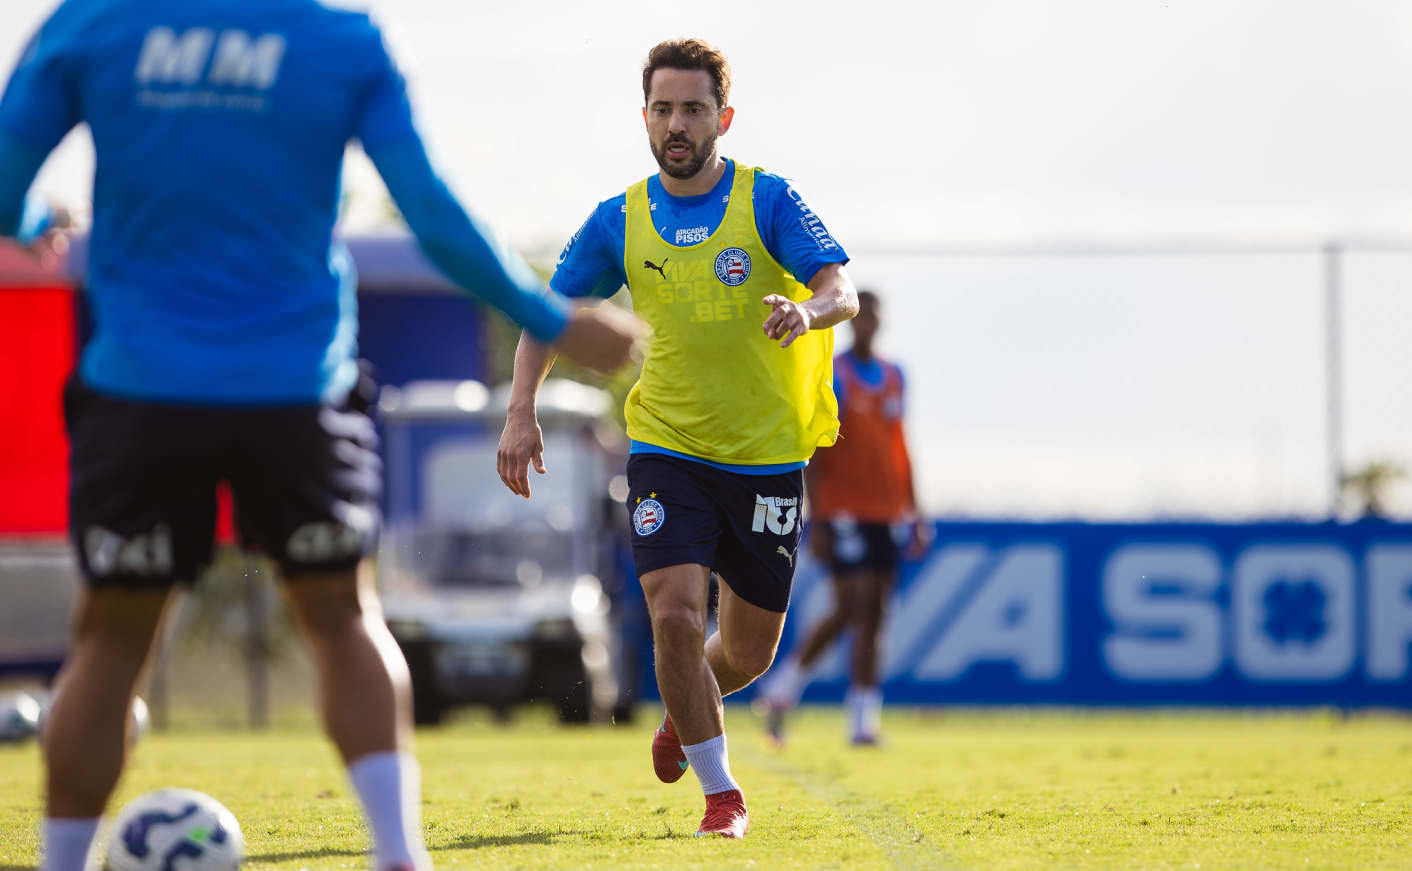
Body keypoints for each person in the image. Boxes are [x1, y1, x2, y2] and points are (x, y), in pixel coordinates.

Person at [0, 1, 643, 869]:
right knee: (344, 617)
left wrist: (35, 220)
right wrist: (548, 316)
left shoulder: (97, 21)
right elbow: (427, 205)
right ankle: (398, 856)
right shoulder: (341, 38)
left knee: (110, 641)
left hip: (144, 389)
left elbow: (4, 179)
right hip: (295, 391)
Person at [496, 38, 857, 838]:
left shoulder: (767, 200)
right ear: (646, 119)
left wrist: (808, 312)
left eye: (693, 108)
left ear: (722, 117)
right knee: (675, 619)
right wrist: (522, 408)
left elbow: (842, 287)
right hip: (667, 450)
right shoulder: (618, 219)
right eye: (663, 109)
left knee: (750, 651)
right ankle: (723, 794)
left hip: (766, 457)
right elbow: (545, 314)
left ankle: (685, 714)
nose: (677, 123)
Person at [761, 290, 929, 746]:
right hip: (844, 509)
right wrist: (817, 516)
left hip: (887, 510)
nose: (870, 320)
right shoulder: (838, 373)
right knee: (851, 604)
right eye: (865, 312)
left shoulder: (894, 376)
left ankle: (862, 719)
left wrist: (916, 510)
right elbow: (817, 448)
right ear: (855, 320)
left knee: (876, 612)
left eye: (877, 312)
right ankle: (785, 687)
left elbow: (900, 447)